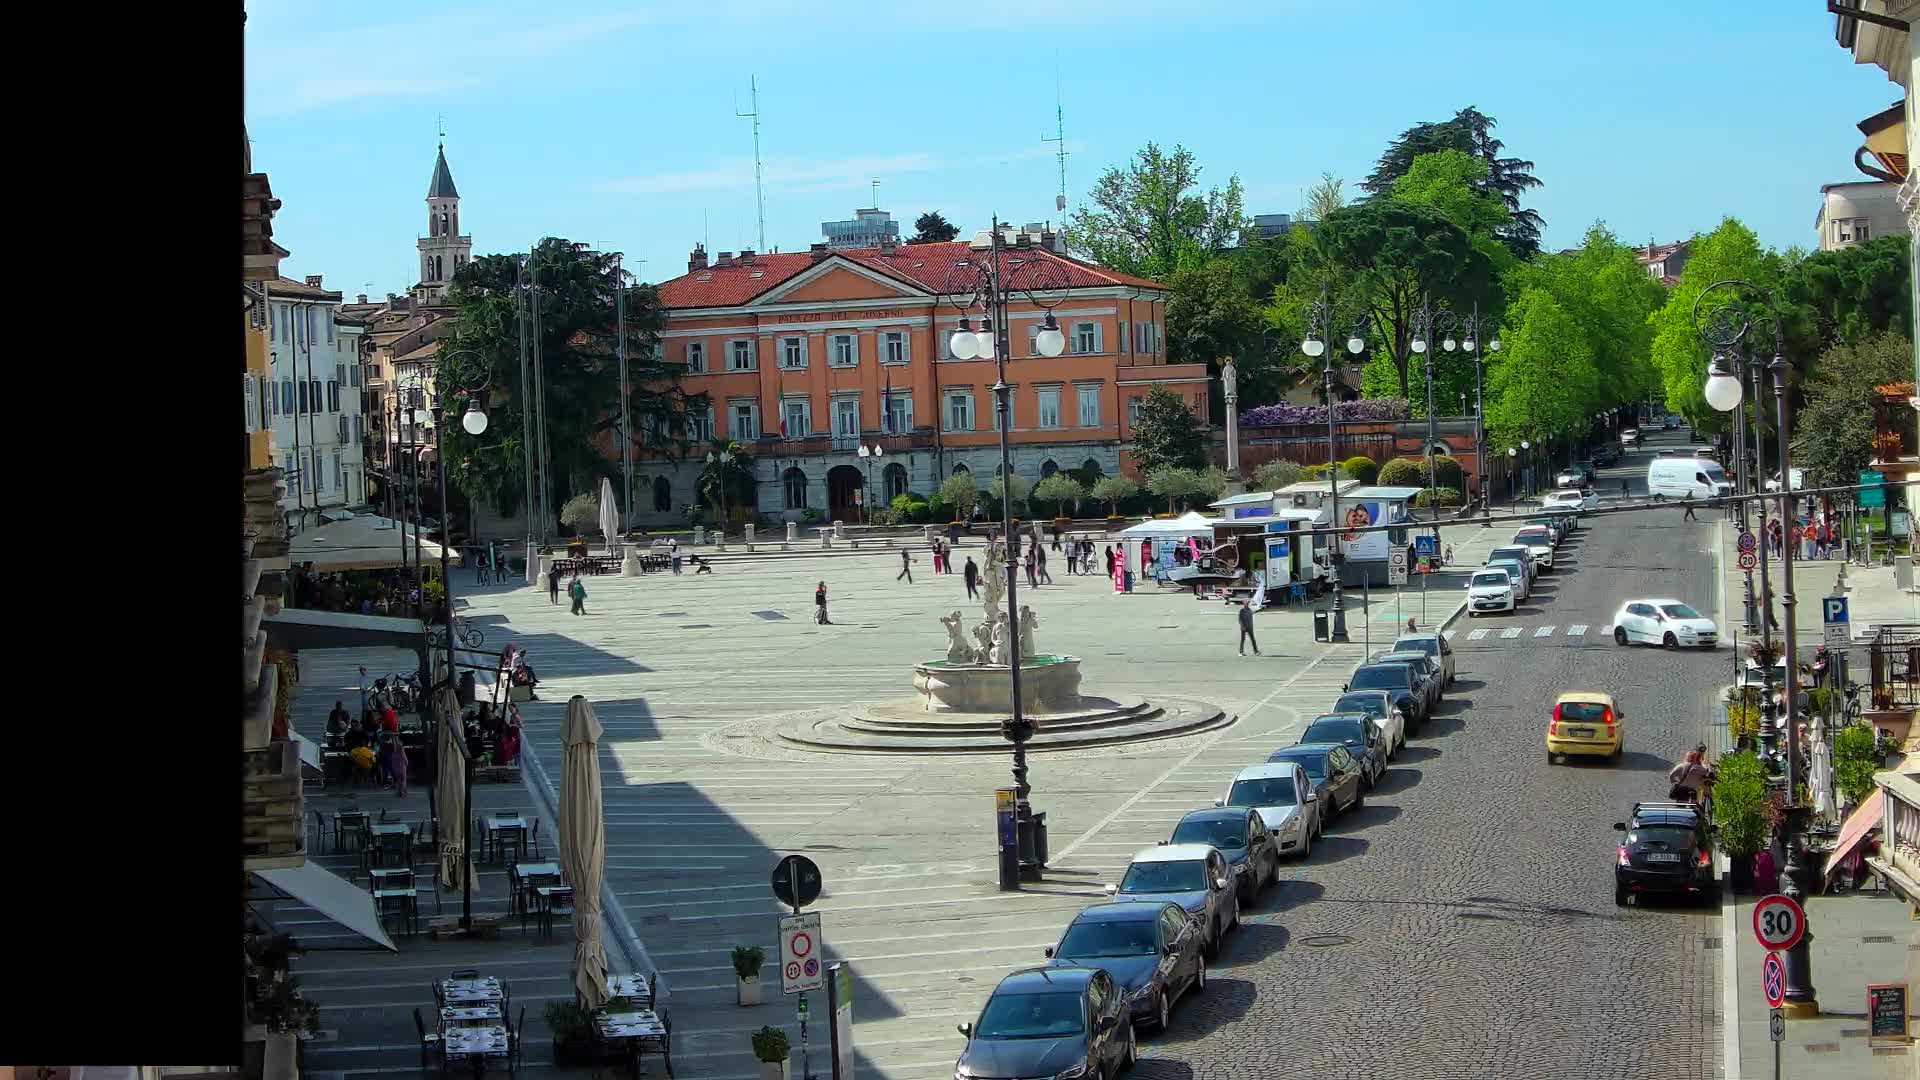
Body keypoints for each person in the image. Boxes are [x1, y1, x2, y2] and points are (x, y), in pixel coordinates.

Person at [390, 731, 409, 797]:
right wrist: (407, 763)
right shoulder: (401, 751)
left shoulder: (393, 754)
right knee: (403, 780)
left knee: (399, 780)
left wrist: (393, 738)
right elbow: (405, 758)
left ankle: (400, 791)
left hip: (395, 768)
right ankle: (403, 792)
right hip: (402, 767)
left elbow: (395, 745)